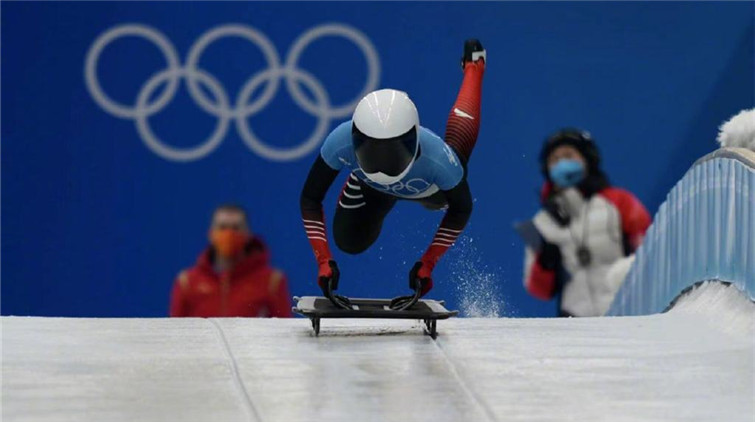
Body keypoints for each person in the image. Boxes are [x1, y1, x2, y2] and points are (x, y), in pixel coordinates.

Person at [300, 39, 486, 307]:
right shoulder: (339, 141)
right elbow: (310, 199)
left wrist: (428, 262)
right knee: (349, 241)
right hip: (371, 187)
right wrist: (323, 260)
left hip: (430, 188)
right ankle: (367, 181)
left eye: (393, 153)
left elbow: (461, 209)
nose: (383, 164)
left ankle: (474, 67)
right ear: (354, 138)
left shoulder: (439, 162)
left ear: (415, 140)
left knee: (457, 158)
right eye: (370, 151)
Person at [519, 129, 651, 317]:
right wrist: (545, 264)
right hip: (577, 329)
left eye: (568, 156)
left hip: (628, 315)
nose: (562, 163)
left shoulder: (621, 202)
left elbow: (649, 252)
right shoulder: (541, 223)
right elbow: (537, 289)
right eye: (554, 160)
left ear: (588, 159)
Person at [170, 204, 292, 317]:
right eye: (222, 227)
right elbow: (176, 333)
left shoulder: (272, 282)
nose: (229, 234)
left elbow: (284, 334)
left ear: (248, 234)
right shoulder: (187, 282)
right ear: (211, 234)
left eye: (236, 228)